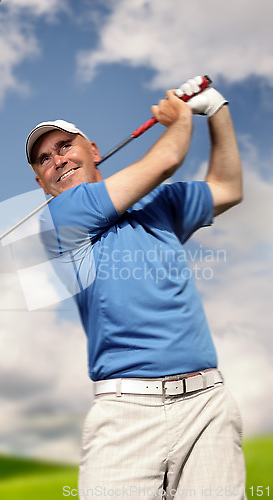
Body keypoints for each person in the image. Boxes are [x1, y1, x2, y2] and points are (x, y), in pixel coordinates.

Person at [25, 77, 246, 499]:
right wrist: (181, 119)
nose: (56, 159)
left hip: (207, 404)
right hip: (126, 412)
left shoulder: (156, 205)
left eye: (64, 145)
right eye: (43, 159)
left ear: (93, 151)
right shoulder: (60, 217)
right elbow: (166, 160)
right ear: (41, 183)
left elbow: (228, 188)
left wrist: (216, 110)